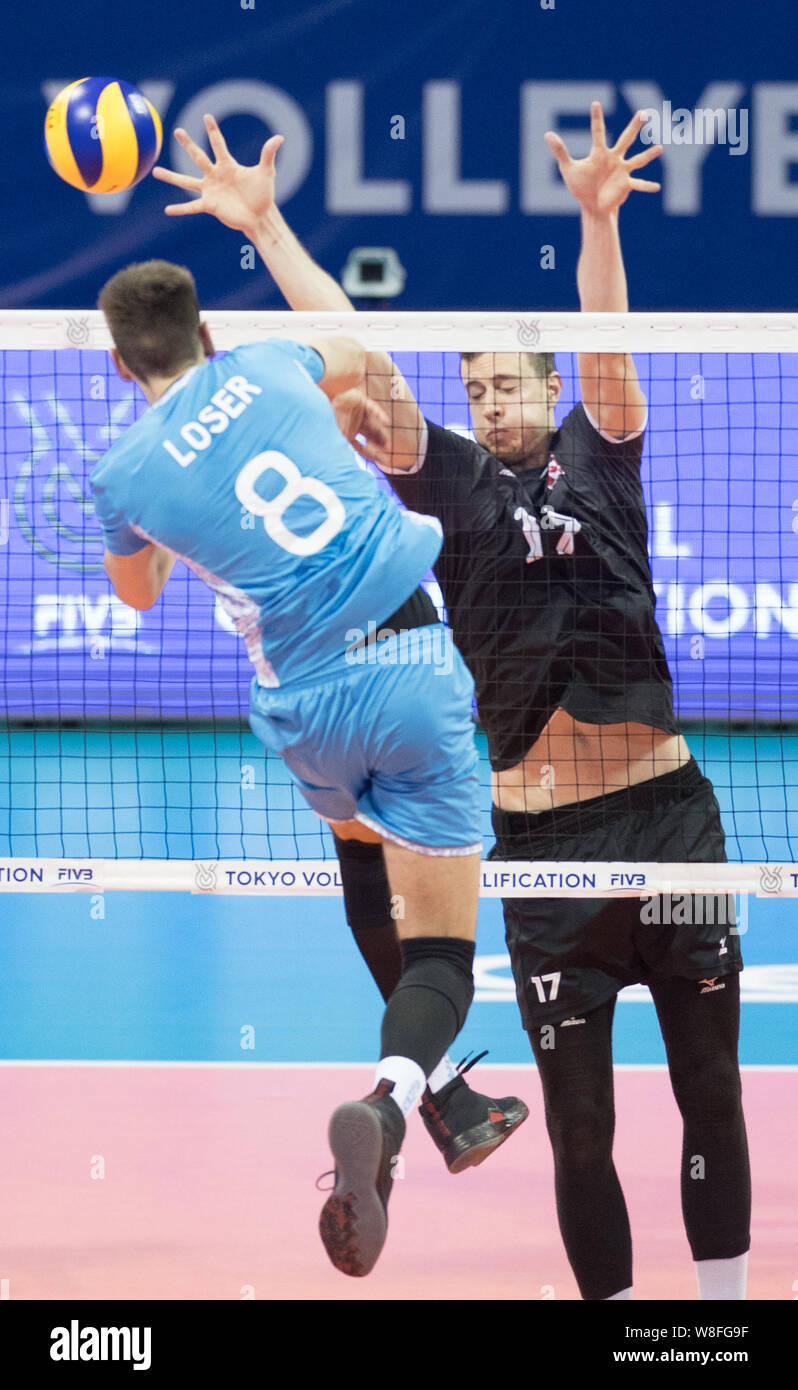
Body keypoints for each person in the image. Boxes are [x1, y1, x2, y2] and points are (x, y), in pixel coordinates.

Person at [152, 101, 751, 1302]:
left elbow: (603, 330)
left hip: (670, 823)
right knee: (581, 1130)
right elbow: (362, 366)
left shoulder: (605, 447)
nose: (486, 401)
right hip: (537, 849)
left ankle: (721, 1326)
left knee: (711, 1091)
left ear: (545, 389)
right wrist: (267, 230)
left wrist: (595, 221)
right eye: (471, 386)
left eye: (502, 384)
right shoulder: (456, 481)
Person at [90, 259, 526, 1278]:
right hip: (408, 666)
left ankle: (448, 1101)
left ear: (119, 363)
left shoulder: (120, 478)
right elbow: (355, 343)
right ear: (205, 333)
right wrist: (265, 232)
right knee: (444, 960)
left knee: (360, 848)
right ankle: (389, 1096)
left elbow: (140, 594)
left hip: (302, 709)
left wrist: (164, 524)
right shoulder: (272, 367)